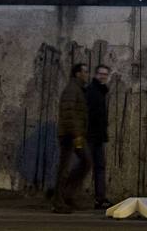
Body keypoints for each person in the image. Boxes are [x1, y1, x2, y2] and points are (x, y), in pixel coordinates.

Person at [52, 63, 91, 213]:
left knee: (86, 162)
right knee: (65, 168)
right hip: (70, 135)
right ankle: (58, 201)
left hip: (75, 134)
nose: (87, 74)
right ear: (77, 74)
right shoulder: (71, 89)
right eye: (85, 71)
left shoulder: (79, 89)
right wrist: (77, 135)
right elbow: (68, 113)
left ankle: (67, 195)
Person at [87, 64, 113, 209]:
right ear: (96, 74)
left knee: (100, 167)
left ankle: (100, 199)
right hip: (90, 136)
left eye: (105, 74)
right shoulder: (92, 91)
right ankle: (66, 195)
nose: (103, 76)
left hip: (97, 137)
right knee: (83, 166)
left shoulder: (101, 91)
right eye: (101, 74)